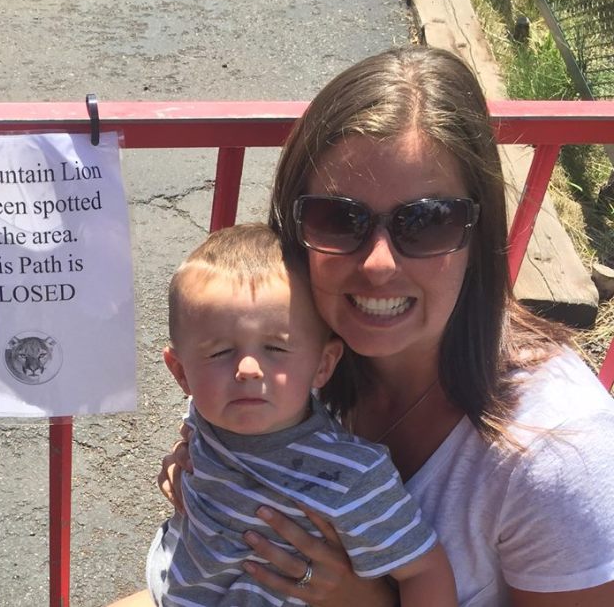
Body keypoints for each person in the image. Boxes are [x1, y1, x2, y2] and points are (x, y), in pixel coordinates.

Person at [110, 45, 614, 607]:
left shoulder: (558, 453)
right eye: (339, 217)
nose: (378, 264)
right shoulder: (297, 341)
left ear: (479, 232)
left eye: (426, 221)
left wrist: (366, 601)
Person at [146, 223, 457, 606]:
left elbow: (424, 569)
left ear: (323, 364)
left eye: (276, 348)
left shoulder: (351, 475)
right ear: (181, 372)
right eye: (219, 352)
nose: (247, 369)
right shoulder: (205, 419)